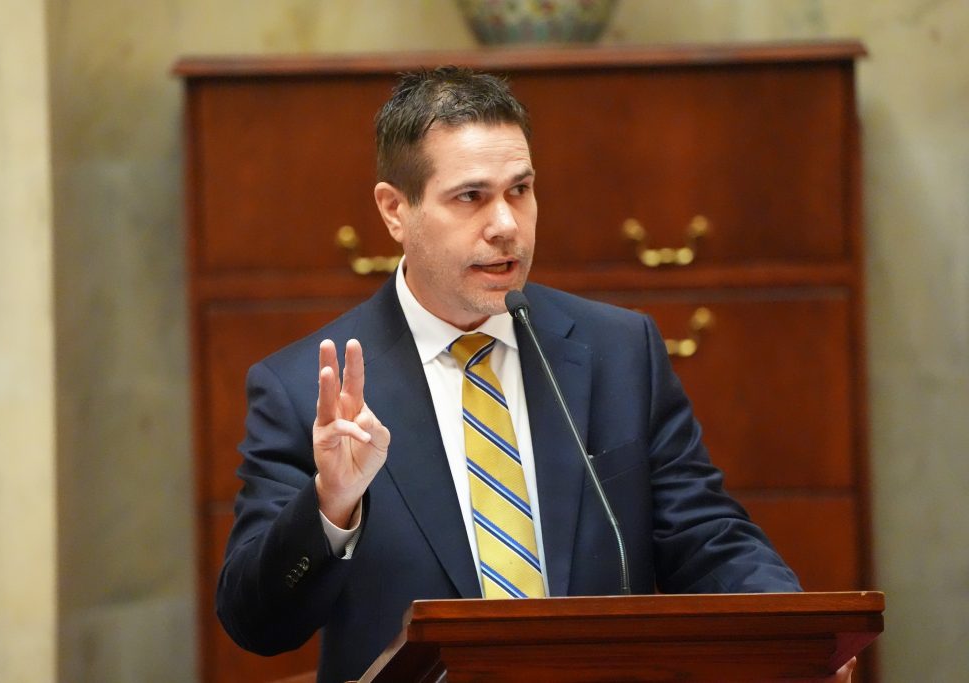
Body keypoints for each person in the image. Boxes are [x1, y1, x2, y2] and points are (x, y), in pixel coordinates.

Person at [217, 67, 852, 683]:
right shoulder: (305, 389)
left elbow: (704, 534)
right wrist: (331, 506)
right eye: (471, 197)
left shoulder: (619, 351)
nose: (506, 226)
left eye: (519, 190)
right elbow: (256, 623)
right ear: (394, 210)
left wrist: (792, 637)